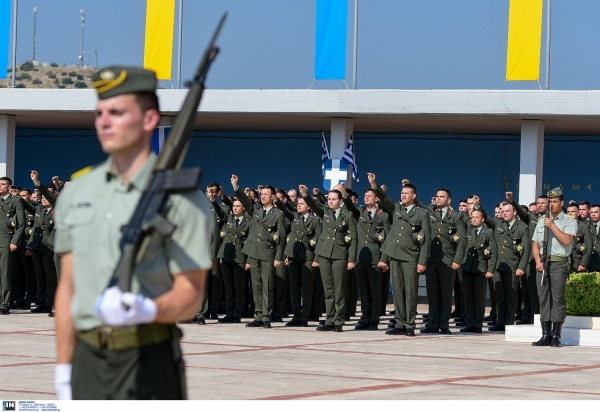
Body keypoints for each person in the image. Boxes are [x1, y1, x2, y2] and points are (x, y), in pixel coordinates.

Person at [53, 65, 214, 400]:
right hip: (87, 359)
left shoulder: (182, 198)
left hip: (149, 358)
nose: (104, 122)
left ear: (149, 119)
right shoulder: (77, 192)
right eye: (99, 113)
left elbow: (191, 293)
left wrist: (148, 309)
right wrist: (64, 367)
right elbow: (68, 288)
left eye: (117, 112)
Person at [369, 174, 430, 336]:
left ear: (414, 196)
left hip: (411, 256)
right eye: (402, 193)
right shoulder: (396, 208)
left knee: (410, 292)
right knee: (397, 291)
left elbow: (426, 240)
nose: (403, 195)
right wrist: (374, 184)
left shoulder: (421, 214)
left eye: (407, 193)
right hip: (395, 256)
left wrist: (422, 261)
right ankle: (400, 323)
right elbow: (384, 198)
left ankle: (410, 324)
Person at [300, 184, 357, 332]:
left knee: (339, 289)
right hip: (324, 254)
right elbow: (314, 204)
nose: (330, 202)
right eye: (329, 199)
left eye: (333, 199)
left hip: (340, 255)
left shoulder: (347, 215)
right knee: (328, 289)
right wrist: (305, 194)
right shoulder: (325, 212)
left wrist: (351, 259)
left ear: (340, 201)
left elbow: (354, 238)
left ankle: (339, 320)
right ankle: (329, 319)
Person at [231, 177, 285, 328]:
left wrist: (278, 257)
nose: (263, 196)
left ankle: (267, 316)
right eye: (262, 194)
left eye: (266, 194)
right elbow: (243, 199)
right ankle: (258, 315)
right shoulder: (256, 209)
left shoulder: (278, 214)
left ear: (273, 197)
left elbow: (280, 237)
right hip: (254, 253)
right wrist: (236, 186)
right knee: (255, 286)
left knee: (267, 285)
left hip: (268, 253)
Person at [415, 187, 467, 335]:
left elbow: (462, 240)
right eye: (437, 196)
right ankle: (432, 324)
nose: (438, 198)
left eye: (441, 197)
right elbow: (418, 204)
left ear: (448, 200)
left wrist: (457, 260)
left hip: (447, 260)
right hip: (431, 259)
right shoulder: (430, 212)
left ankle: (444, 325)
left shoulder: (456, 216)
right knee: (432, 294)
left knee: (445, 295)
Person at [340, 182, 391, 330]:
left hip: (375, 258)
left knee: (374, 291)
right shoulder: (360, 212)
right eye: (365, 196)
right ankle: (365, 318)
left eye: (370, 196)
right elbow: (349, 206)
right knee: (363, 291)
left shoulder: (384, 217)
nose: (367, 198)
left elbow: (387, 238)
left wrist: (384, 259)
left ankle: (374, 320)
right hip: (361, 257)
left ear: (376, 199)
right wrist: (344, 193)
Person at [531, 188, 577, 348]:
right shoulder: (541, 220)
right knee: (543, 299)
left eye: (555, 201)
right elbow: (535, 243)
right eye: (550, 201)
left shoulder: (570, 221)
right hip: (543, 263)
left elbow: (566, 240)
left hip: (559, 263)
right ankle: (545, 334)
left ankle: (556, 335)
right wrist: (537, 261)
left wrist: (552, 226)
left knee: (558, 299)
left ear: (562, 203)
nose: (551, 204)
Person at [484, 195, 531, 331]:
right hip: (498, 266)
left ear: (514, 212)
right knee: (499, 295)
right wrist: (477, 205)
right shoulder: (498, 223)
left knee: (511, 296)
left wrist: (522, 267)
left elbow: (526, 250)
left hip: (513, 267)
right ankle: (500, 321)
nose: (504, 213)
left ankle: (509, 323)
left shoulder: (522, 227)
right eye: (502, 211)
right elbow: (485, 218)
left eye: (507, 211)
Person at [276, 196, 321, 327]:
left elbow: (319, 239)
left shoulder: (315, 220)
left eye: (302, 204)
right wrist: (277, 200)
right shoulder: (295, 216)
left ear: (309, 207)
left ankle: (304, 317)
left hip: (307, 257)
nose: (299, 205)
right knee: (294, 288)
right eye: (298, 203)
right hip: (293, 256)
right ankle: (296, 316)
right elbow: (284, 209)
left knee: (306, 289)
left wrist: (316, 258)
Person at [23, 171, 58, 317]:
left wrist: (37, 182)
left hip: (49, 247)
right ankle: (41, 303)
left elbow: (47, 193)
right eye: (41, 197)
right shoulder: (39, 209)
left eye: (46, 197)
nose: (43, 199)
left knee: (51, 278)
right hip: (37, 247)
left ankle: (50, 304)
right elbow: (24, 205)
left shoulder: (57, 208)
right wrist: (15, 196)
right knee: (40, 277)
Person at [512, 195, 548, 325]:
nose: (539, 205)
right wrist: (512, 201)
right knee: (529, 291)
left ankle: (542, 317)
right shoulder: (532, 218)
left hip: (549, 259)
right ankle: (531, 316)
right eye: (538, 203)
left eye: (542, 203)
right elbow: (522, 212)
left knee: (545, 292)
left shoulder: (552, 218)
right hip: (532, 260)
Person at [460, 209, 497, 333]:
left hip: (481, 268)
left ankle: (477, 324)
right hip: (467, 268)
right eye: (473, 217)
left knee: (479, 298)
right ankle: (469, 323)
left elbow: (493, 252)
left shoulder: (488, 233)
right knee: (468, 297)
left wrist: (490, 269)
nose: (474, 219)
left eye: (477, 217)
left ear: (483, 219)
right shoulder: (467, 230)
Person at [215, 199, 250, 323]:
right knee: (228, 287)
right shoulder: (228, 218)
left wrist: (248, 260)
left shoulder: (248, 221)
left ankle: (237, 314)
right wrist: (214, 199)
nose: (235, 208)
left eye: (238, 206)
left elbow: (249, 242)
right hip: (226, 257)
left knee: (238, 288)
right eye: (234, 206)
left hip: (240, 258)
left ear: (243, 208)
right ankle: (229, 313)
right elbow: (219, 211)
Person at [0, 176, 25, 315]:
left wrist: (14, 241)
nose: (0, 186)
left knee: (5, 274)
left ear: (9, 187)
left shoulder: (15, 200)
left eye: (2, 184)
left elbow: (21, 224)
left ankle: (4, 304)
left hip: (6, 241)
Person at [566, 204, 592, 273]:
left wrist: (583, 263)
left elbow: (589, 247)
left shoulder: (583, 226)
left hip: (577, 263)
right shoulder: (561, 226)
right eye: (568, 212)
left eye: (572, 211)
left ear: (578, 213)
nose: (570, 213)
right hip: (562, 263)